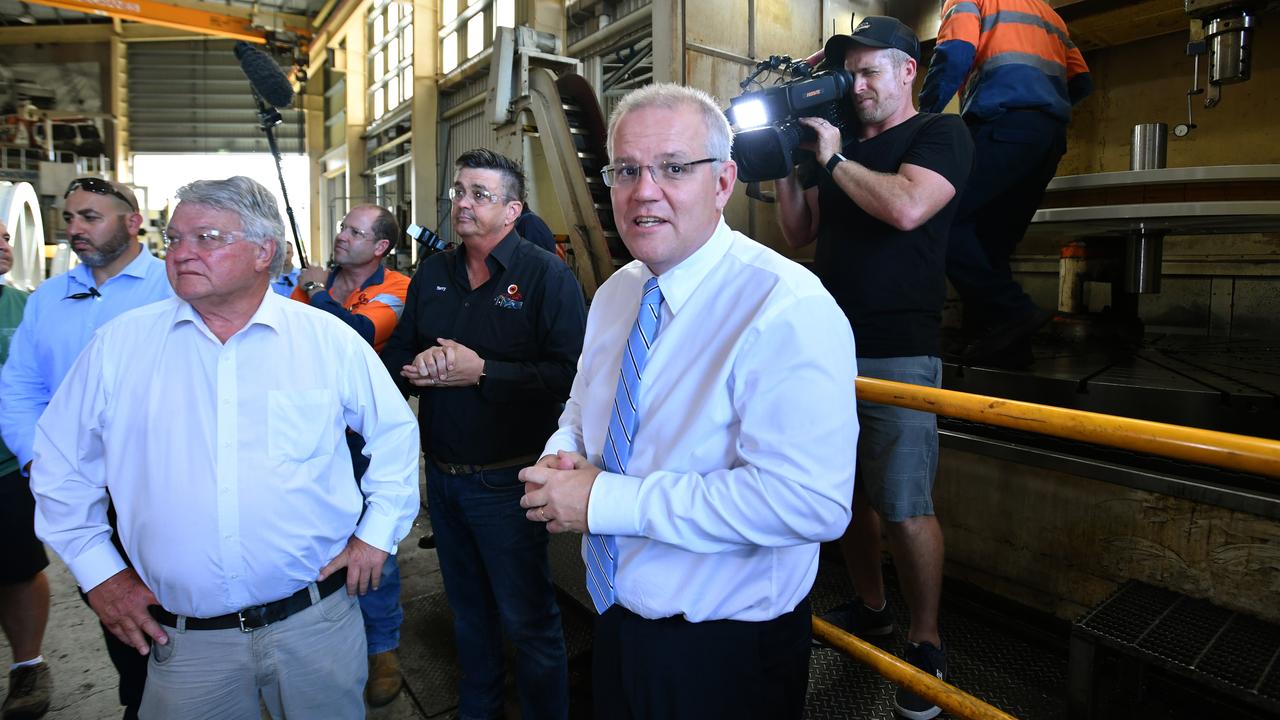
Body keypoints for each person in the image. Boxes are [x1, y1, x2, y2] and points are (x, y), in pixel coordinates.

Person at [519, 83, 857, 720]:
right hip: (618, 618)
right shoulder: (620, 292)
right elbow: (582, 406)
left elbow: (809, 503)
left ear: (724, 182)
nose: (645, 190)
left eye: (674, 168)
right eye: (626, 170)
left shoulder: (786, 307)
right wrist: (563, 456)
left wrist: (606, 501)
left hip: (724, 657)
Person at [29, 176, 420, 719]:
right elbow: (59, 467)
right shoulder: (120, 348)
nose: (182, 254)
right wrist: (102, 574)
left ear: (264, 251)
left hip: (317, 627)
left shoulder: (325, 341)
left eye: (207, 237)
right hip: (187, 645)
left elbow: (395, 435)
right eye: (177, 239)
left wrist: (376, 538)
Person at [775, 16, 974, 720]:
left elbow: (909, 207)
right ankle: (872, 606)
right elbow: (798, 234)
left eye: (867, 73)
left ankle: (925, 639)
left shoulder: (939, 136)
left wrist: (830, 163)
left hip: (899, 349)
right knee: (847, 499)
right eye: (847, 75)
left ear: (905, 72)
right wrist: (786, 169)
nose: (854, 87)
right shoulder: (841, 148)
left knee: (905, 503)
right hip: (831, 348)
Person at [382, 148, 585, 720]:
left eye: (479, 194)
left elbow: (570, 376)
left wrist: (485, 372)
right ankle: (480, 707)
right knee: (467, 610)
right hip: (443, 479)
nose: (463, 204)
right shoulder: (434, 274)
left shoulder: (545, 276)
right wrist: (416, 368)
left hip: (507, 480)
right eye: (458, 193)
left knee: (528, 619)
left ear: (512, 209)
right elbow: (399, 350)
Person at [0, 177, 173, 720]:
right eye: (70, 217)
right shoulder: (49, 299)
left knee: (173, 602)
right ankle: (139, 697)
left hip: (158, 486)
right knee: (109, 601)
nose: (75, 228)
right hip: (78, 490)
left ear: (131, 220)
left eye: (90, 217)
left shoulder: (172, 288)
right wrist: (37, 459)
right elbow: (21, 387)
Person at [919, 0, 1092, 367]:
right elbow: (1082, 80)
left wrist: (923, 119)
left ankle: (1013, 312)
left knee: (940, 220)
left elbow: (955, 52)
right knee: (991, 240)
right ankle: (1005, 344)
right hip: (1048, 137)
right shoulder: (1049, 14)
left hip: (1001, 127)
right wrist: (1043, 106)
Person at [291, 203, 412, 706]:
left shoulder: (397, 289)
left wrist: (315, 290)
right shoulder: (311, 284)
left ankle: (381, 646)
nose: (342, 236)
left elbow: (357, 335)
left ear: (381, 246)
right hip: (306, 427)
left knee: (371, 534)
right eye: (342, 226)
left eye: (355, 231)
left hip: (361, 436)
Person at [0, 221, 48, 720]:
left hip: (7, 468)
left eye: (7, 237)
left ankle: (28, 665)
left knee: (19, 568)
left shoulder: (26, 304)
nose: (4, 245)